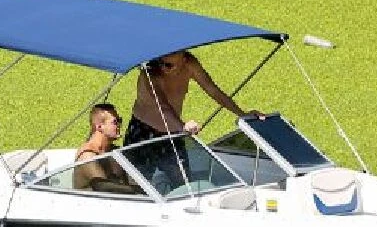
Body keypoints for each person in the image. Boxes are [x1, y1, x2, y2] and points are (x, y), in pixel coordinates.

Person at [124, 50, 263, 191]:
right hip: (143, 132)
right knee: (136, 183)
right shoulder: (149, 73)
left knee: (184, 184)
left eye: (168, 65)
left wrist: (241, 113)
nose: (163, 68)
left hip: (172, 132)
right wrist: (182, 126)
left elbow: (212, 89)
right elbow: (162, 106)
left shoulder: (190, 64)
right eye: (160, 62)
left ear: (183, 59)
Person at [72, 103, 140, 194]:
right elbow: (103, 186)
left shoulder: (115, 152)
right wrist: (138, 191)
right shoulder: (87, 155)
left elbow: (132, 179)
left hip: (117, 200)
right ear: (99, 127)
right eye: (115, 122)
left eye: (120, 120)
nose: (119, 125)